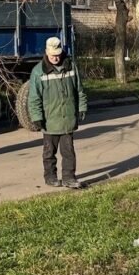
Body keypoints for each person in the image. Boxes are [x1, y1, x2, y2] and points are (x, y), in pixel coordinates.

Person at [28, 36, 88, 189]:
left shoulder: (71, 67)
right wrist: (36, 117)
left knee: (68, 152)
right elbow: (34, 98)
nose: (55, 58)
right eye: (52, 55)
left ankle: (69, 177)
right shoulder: (38, 72)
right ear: (47, 53)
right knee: (49, 153)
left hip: (67, 118)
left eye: (57, 54)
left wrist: (82, 107)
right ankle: (50, 177)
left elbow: (79, 90)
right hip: (50, 120)